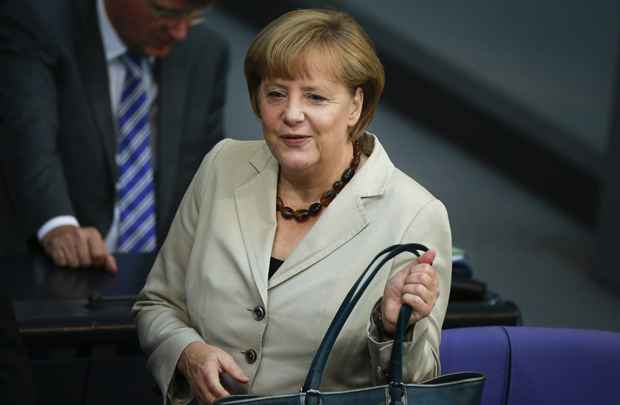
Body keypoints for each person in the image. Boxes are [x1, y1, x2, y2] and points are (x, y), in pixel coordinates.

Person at [133, 9, 451, 405]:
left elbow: (418, 387)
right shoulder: (222, 166)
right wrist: (187, 352)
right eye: (276, 94)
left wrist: (391, 330)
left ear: (355, 105)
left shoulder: (416, 214)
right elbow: (157, 304)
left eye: (315, 97)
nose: (291, 115)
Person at [0, 0, 229, 272]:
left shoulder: (205, 52)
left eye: (193, 15)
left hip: (159, 279)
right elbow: (29, 140)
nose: (180, 31)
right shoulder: (39, 22)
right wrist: (58, 225)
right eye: (165, 12)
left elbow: (205, 173)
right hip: (50, 270)